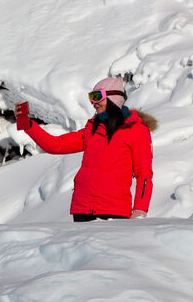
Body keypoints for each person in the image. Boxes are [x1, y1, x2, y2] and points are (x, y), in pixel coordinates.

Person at [15, 76, 154, 222]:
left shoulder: (136, 130)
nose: (93, 103)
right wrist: (26, 124)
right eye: (91, 97)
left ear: (114, 98)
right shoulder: (91, 130)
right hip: (82, 209)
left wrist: (140, 209)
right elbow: (55, 144)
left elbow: (144, 174)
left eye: (97, 97)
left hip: (114, 212)